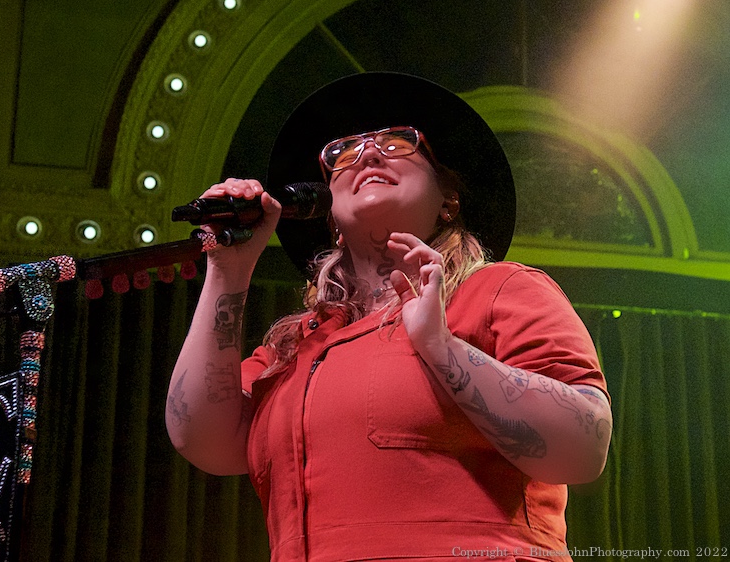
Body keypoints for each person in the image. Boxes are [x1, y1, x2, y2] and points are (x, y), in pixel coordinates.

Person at [166, 72, 612, 562]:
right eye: (343, 154)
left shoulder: (500, 289)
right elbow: (202, 438)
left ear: (449, 200)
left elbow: (583, 446)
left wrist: (442, 348)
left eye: (399, 143)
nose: (370, 154)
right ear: (330, 215)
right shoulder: (295, 345)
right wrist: (228, 271)